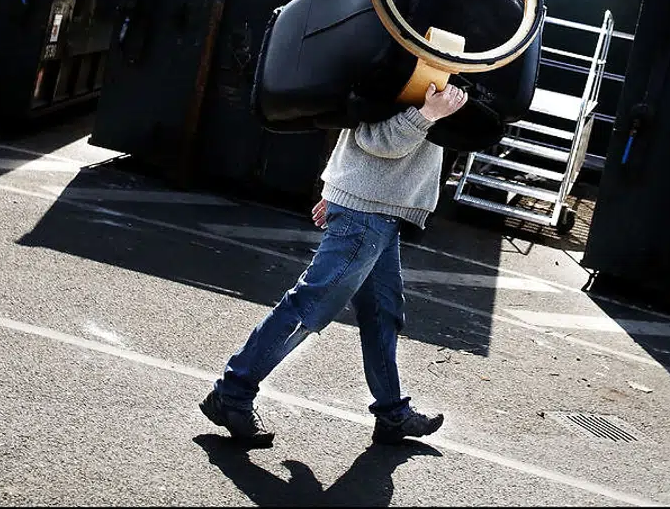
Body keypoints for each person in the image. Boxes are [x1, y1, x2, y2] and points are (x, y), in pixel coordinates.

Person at [200, 81, 470, 447]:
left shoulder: (427, 65)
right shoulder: (402, 65)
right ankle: (232, 394)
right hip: (366, 213)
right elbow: (375, 138)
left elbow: (356, 129)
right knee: (307, 307)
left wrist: (336, 187)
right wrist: (428, 114)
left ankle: (392, 414)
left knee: (382, 313)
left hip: (379, 210)